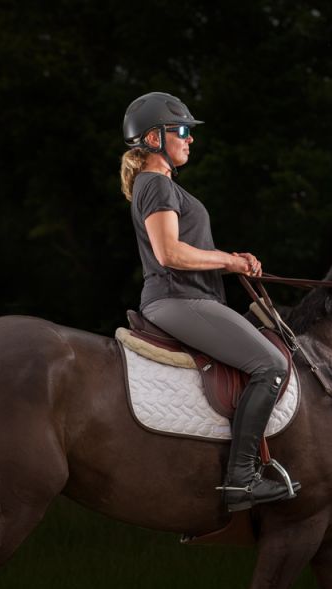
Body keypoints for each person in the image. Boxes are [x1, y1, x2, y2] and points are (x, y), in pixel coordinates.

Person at [120, 91, 300, 512]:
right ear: (153, 138)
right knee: (271, 365)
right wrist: (229, 261)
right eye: (181, 130)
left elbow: (188, 250)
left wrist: (231, 261)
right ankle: (241, 480)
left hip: (188, 297)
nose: (190, 138)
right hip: (177, 299)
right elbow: (169, 253)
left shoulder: (161, 185)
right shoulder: (156, 184)